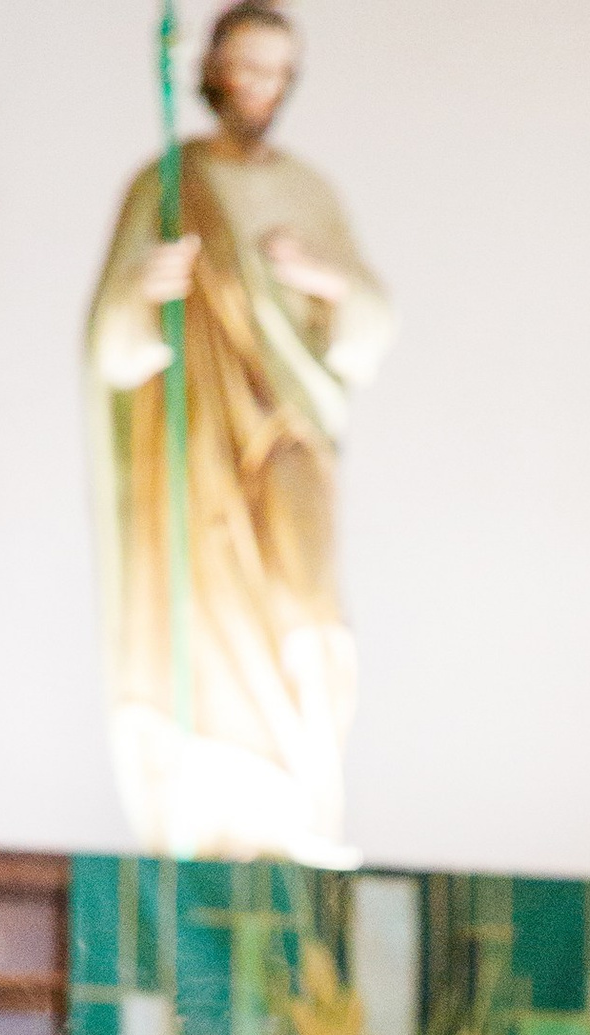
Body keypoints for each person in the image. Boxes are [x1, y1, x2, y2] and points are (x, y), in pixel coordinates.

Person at [86, 1, 391, 862]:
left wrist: (322, 277)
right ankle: (219, 802)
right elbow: (110, 351)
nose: (260, 86)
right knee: (207, 606)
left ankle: (305, 798)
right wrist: (149, 289)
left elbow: (369, 331)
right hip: (201, 449)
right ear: (212, 71)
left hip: (291, 429)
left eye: (276, 71)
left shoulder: (308, 193)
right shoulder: (166, 188)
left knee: (307, 610)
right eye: (246, 66)